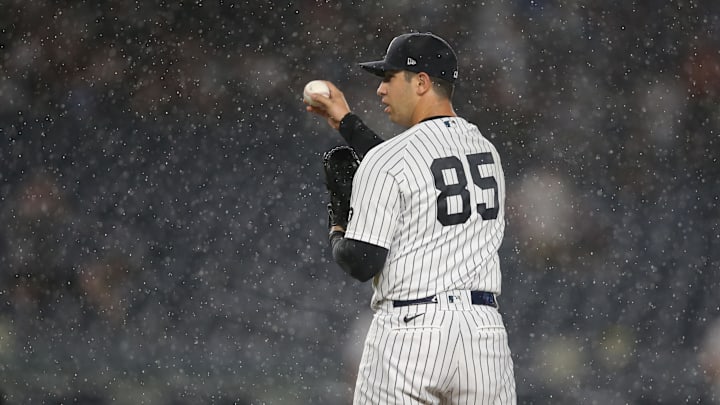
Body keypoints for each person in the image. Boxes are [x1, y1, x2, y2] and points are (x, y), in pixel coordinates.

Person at [306, 32, 516, 404]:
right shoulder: (485, 149)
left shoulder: (391, 162)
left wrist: (338, 224)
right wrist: (346, 121)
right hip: (484, 336)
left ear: (420, 82)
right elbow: (413, 166)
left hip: (411, 334)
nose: (381, 90)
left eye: (389, 77)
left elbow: (361, 261)